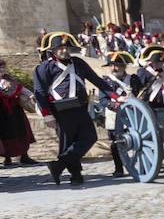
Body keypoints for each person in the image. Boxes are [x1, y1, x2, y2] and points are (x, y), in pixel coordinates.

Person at [32, 32, 118, 185]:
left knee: (90, 137)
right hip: (60, 110)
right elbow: (39, 93)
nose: (65, 50)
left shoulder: (78, 63)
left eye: (66, 47)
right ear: (52, 50)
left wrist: (115, 96)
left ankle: (57, 165)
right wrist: (47, 115)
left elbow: (97, 80)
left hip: (79, 107)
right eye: (60, 48)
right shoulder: (44, 68)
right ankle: (76, 175)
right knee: (67, 142)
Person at [99, 52, 137, 177]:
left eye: (117, 65)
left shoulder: (133, 79)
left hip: (133, 115)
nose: (114, 68)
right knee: (116, 143)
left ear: (124, 66)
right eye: (112, 65)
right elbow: (103, 100)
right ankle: (118, 168)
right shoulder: (105, 81)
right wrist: (117, 106)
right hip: (114, 115)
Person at [0, 57, 38, 168]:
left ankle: (24, 156)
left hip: (15, 111)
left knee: (21, 132)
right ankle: (7, 158)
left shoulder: (10, 80)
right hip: (2, 113)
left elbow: (22, 89)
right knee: (5, 135)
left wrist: (31, 95)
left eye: (2, 68)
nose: (1, 71)